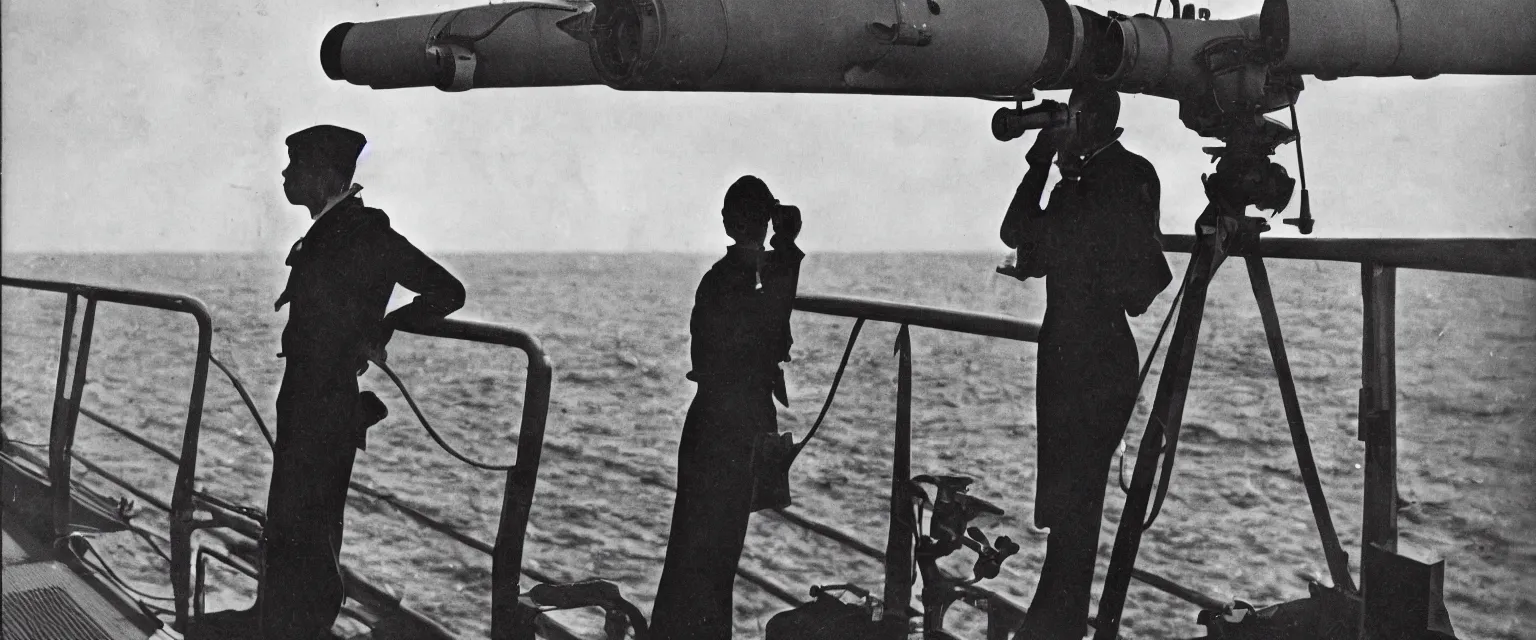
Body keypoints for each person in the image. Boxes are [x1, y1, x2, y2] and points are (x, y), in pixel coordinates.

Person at [260, 125, 466, 639]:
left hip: (327, 397)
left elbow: (447, 290)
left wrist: (386, 326)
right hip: (303, 390)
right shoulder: (329, 230)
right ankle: (275, 622)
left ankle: (306, 627)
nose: (286, 176)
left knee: (314, 521)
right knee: (289, 515)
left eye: (295, 168)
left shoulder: (367, 233)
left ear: (324, 176)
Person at [997, 88, 1172, 639]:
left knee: (1072, 503)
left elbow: (1017, 232)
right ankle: (1057, 619)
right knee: (1077, 501)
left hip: (1079, 357)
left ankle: (1056, 622)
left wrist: (1041, 159)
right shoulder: (1128, 175)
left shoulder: (1089, 184)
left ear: (1086, 120)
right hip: (1099, 353)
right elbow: (1135, 282)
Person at [650, 176, 804, 640]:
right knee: (717, 558)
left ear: (725, 221)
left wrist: (780, 246)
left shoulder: (718, 279)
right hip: (736, 426)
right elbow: (774, 320)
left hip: (709, 423)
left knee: (691, 553)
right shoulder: (749, 281)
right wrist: (788, 244)